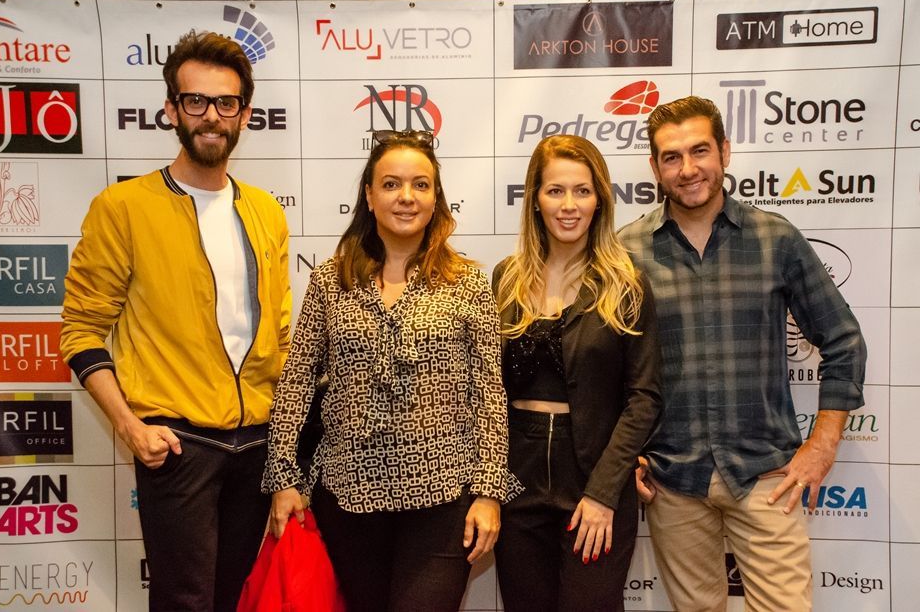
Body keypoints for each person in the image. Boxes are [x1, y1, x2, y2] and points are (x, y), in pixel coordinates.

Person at [60, 31, 291, 611]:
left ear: (245, 113)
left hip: (257, 444)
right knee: (184, 601)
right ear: (171, 109)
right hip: (178, 442)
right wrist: (130, 426)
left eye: (226, 103)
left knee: (230, 597)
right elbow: (81, 331)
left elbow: (282, 337)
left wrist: (286, 448)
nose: (211, 117)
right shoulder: (124, 208)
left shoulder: (265, 210)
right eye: (196, 102)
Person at [619, 96, 867, 611]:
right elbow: (608, 368)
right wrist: (626, 454)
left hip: (766, 476)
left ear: (725, 152)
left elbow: (843, 340)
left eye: (699, 151)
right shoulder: (627, 251)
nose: (688, 169)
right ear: (654, 167)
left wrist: (822, 444)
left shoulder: (776, 239)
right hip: (672, 480)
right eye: (671, 157)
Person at [262, 129, 520, 612]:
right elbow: (296, 381)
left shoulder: (467, 282)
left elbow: (489, 394)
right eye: (392, 184)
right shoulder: (330, 279)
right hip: (347, 498)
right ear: (368, 195)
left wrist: (488, 493)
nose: (407, 197)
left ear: (436, 198)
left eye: (421, 185)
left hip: (444, 497)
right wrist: (282, 478)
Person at [492, 135, 662, 611]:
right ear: (535, 199)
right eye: (555, 191)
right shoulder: (505, 278)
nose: (569, 205)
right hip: (516, 480)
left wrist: (605, 491)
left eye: (582, 191)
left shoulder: (626, 283)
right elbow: (489, 390)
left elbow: (644, 397)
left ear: (600, 199)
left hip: (593, 477)